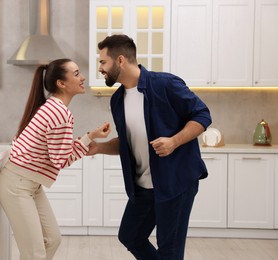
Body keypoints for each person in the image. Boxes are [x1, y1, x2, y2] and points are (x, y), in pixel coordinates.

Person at [87, 34, 212, 260]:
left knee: (169, 251)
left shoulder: (165, 84)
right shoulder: (117, 100)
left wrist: (174, 141)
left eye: (103, 62)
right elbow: (127, 143)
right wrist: (99, 148)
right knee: (130, 235)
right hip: (143, 186)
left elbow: (202, 115)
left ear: (121, 60)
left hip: (176, 181)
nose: (100, 68)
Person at [0, 58, 111, 260]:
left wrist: (90, 137)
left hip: (29, 184)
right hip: (18, 185)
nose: (82, 77)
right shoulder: (60, 113)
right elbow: (62, 160)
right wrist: (88, 140)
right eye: (76, 74)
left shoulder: (53, 107)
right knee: (35, 253)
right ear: (61, 83)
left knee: (52, 239)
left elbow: (60, 155)